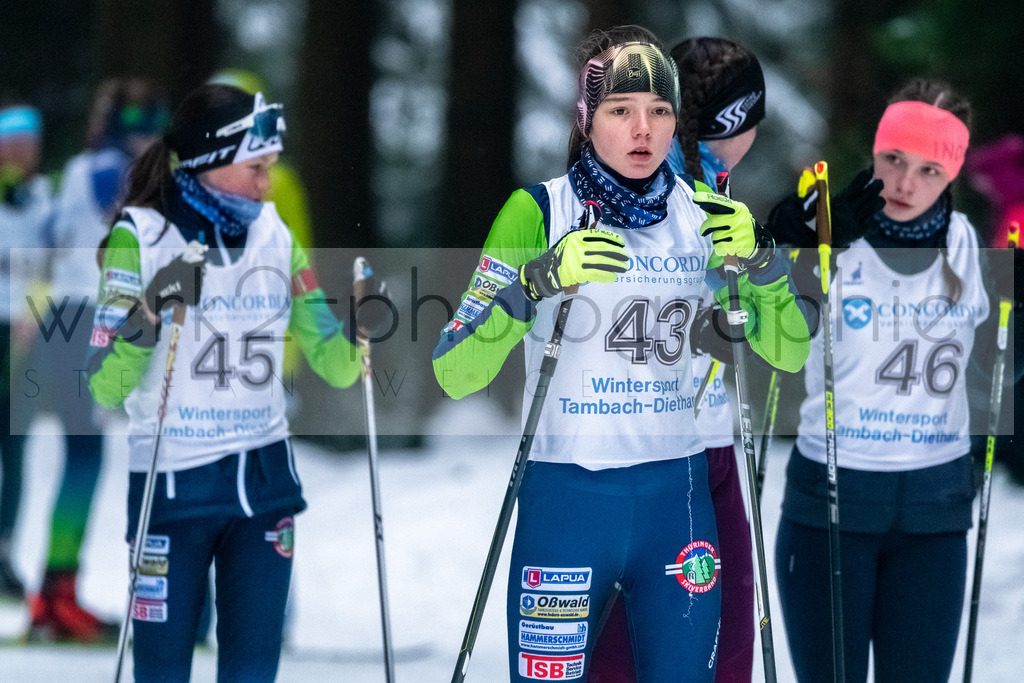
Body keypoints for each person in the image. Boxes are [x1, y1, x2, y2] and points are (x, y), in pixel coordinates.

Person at [433, 25, 809, 681]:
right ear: (587, 118)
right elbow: (454, 367)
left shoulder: (706, 214)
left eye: (659, 111)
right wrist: (536, 283)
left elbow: (789, 350)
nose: (643, 129)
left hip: (677, 505)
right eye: (621, 111)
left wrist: (762, 264)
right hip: (567, 504)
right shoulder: (539, 212)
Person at [87, 83, 385, 680]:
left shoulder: (276, 233)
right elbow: (101, 383)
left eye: (270, 168)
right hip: (173, 487)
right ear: (209, 160)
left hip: (263, 485)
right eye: (256, 168)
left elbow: (329, 355)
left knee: (252, 670)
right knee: (163, 670)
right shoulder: (139, 238)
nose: (266, 184)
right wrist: (149, 312)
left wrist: (359, 330)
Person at [770, 79, 990, 682]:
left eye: (929, 169)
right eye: (893, 159)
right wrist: (790, 254)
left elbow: (996, 367)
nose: (905, 183)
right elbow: (762, 339)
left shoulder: (971, 247)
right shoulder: (827, 235)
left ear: (953, 175)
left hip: (933, 512)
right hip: (831, 502)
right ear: (875, 153)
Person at [588, 36, 768, 683]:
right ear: (735, 120)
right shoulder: (678, 198)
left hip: (684, 448)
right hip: (666, 458)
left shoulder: (699, 184)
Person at [25, 77, 167, 643]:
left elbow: (47, 237)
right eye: (144, 123)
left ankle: (55, 593)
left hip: (63, 320)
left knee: (79, 460)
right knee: (84, 462)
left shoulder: (80, 165)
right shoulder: (111, 166)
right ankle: (56, 598)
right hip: (84, 321)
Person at [0, 102, 52, 601]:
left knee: (15, 448)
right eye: (11, 146)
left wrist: (33, 317)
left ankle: (5, 550)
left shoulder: (42, 198)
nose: (21, 155)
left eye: (27, 147)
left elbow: (46, 266)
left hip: (22, 333)